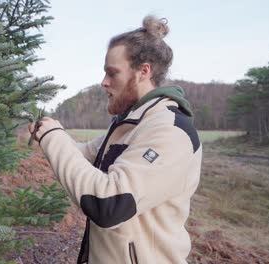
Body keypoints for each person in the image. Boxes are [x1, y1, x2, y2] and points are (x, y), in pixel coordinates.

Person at [29, 15, 202, 264]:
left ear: (144, 71)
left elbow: (109, 203)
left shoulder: (170, 130)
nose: (104, 82)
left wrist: (53, 137)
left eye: (113, 73)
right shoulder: (130, 123)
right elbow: (84, 154)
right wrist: (47, 133)